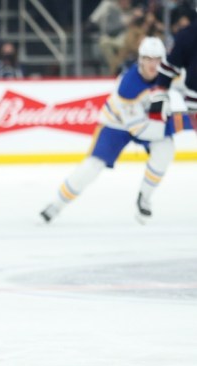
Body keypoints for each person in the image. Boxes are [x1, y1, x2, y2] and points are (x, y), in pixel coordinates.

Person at [40, 37, 179, 225]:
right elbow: (138, 130)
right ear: (140, 59)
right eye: (148, 58)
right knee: (93, 165)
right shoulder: (128, 85)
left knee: (165, 150)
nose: (152, 64)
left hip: (149, 120)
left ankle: (144, 198)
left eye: (157, 59)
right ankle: (56, 205)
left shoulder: (172, 74)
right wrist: (178, 122)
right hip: (118, 123)